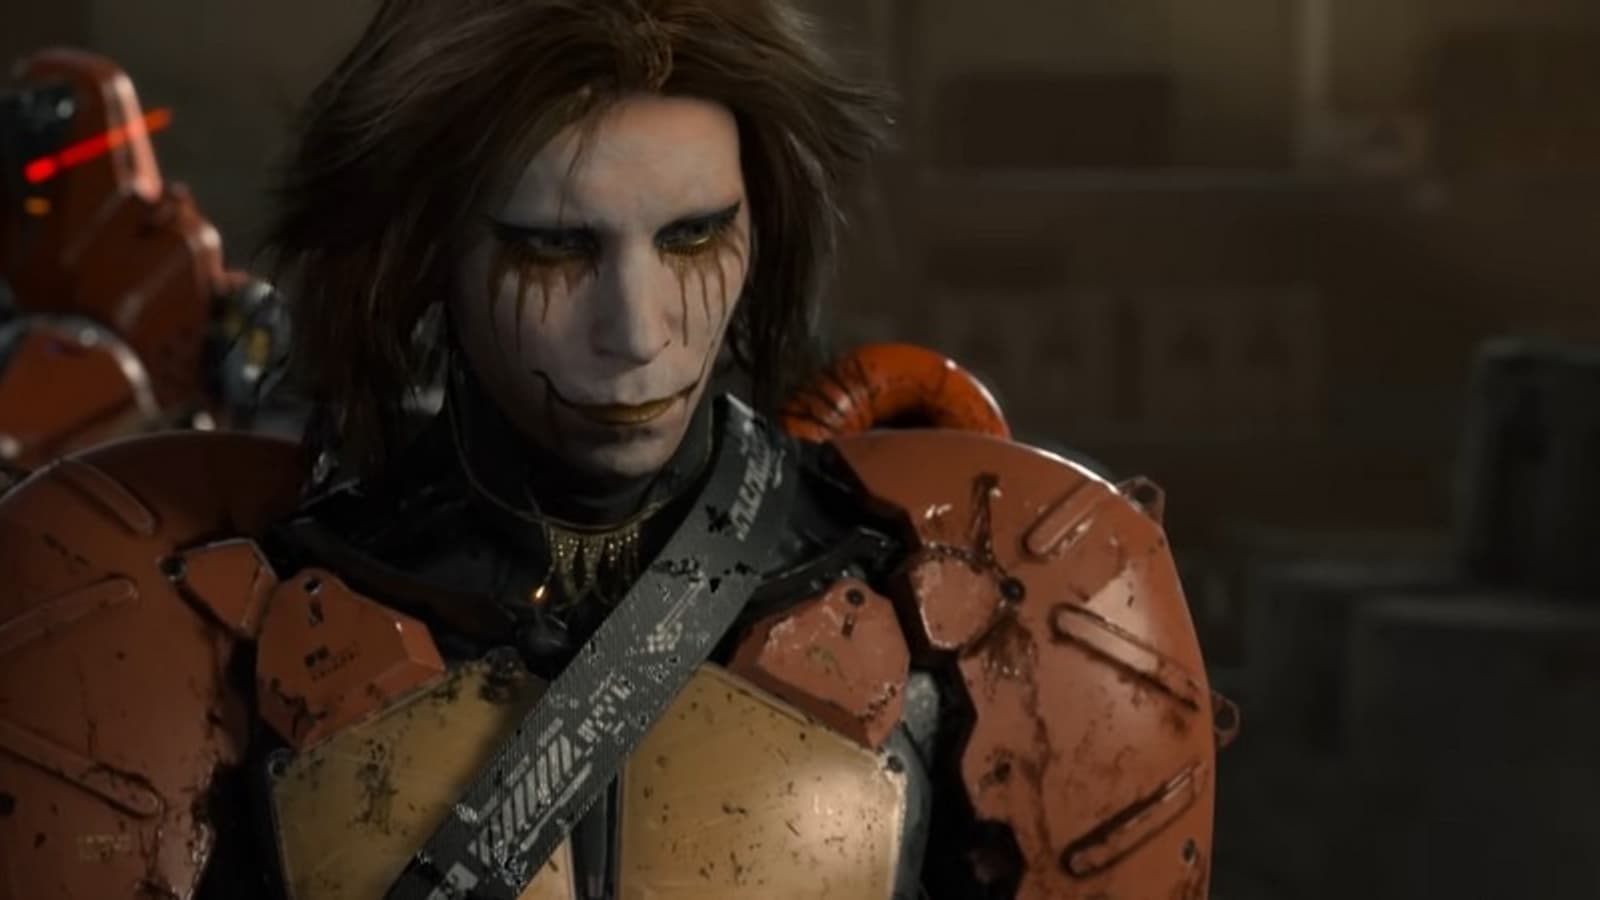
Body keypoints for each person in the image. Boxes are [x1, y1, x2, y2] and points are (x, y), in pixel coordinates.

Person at [0, 2, 1229, 898]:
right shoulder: (174, 604)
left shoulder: (1002, 592)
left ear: (764, 227)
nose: (637, 333)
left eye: (693, 238)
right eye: (552, 249)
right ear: (424, 254)